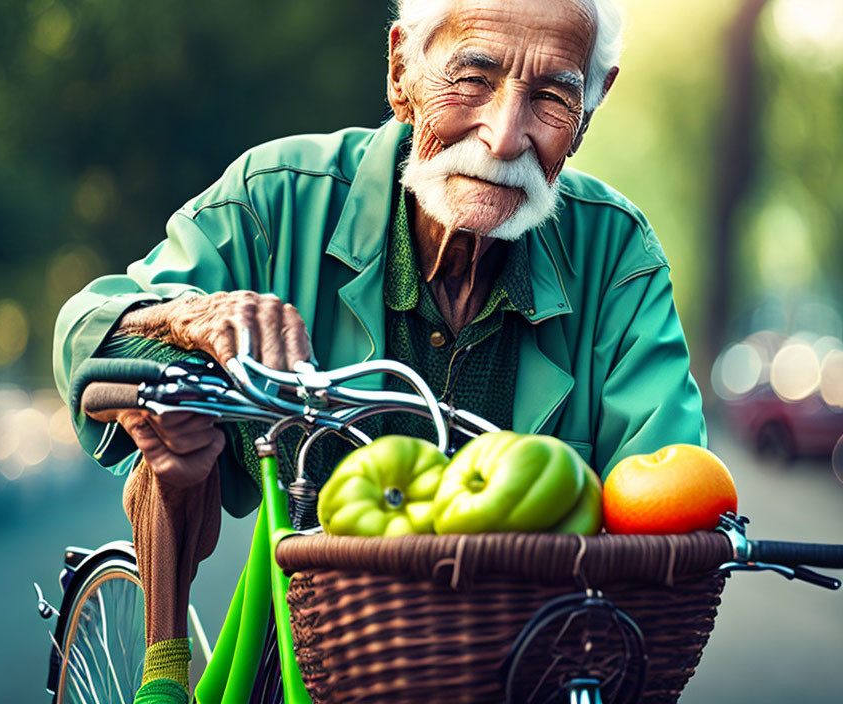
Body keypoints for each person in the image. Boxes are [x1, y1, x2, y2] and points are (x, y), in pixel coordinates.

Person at [54, 0, 706, 701]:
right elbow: (88, 330)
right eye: (473, 79)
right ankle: (162, 666)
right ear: (402, 71)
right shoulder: (279, 198)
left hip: (521, 661)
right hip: (318, 639)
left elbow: (673, 497)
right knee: (169, 417)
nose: (504, 135)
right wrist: (188, 317)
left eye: (550, 96)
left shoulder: (616, 254)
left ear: (588, 112)